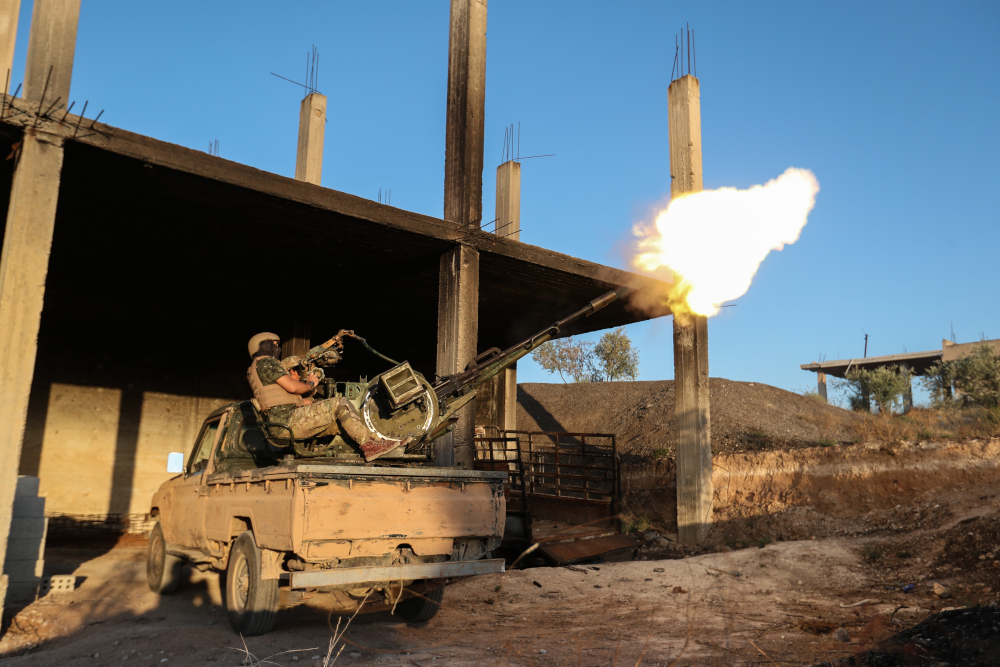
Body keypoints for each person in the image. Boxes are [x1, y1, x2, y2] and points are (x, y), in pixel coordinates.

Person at [246, 332, 408, 461]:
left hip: (280, 425)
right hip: (286, 423)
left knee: (341, 423)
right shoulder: (267, 362)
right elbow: (293, 387)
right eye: (274, 344)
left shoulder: (255, 369)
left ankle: (377, 443)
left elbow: (277, 398)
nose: (277, 347)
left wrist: (302, 402)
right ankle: (370, 445)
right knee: (338, 404)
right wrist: (311, 384)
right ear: (263, 346)